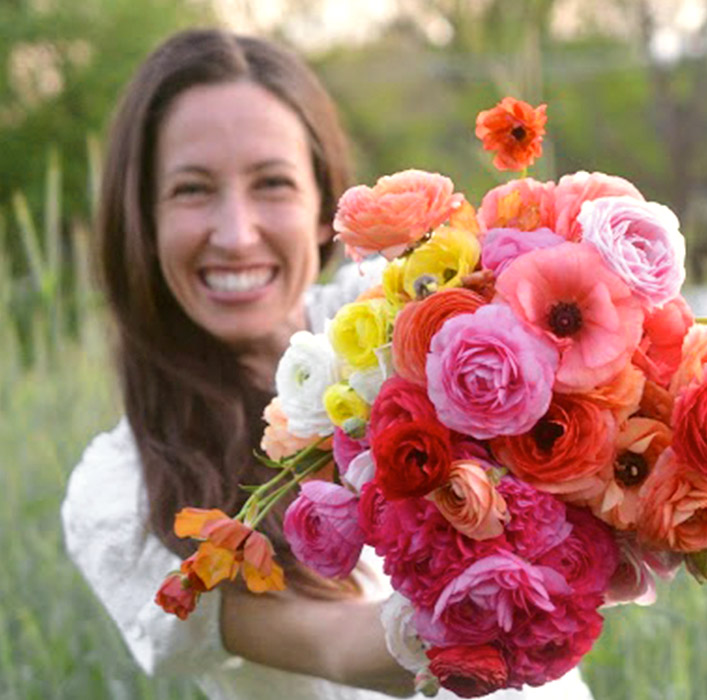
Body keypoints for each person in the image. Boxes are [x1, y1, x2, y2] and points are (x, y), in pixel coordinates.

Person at [60, 28, 595, 700]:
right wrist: (505, 598)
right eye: (193, 190)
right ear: (141, 219)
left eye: (272, 184)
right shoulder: (124, 490)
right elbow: (341, 651)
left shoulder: (412, 316)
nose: (235, 233)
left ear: (323, 205)